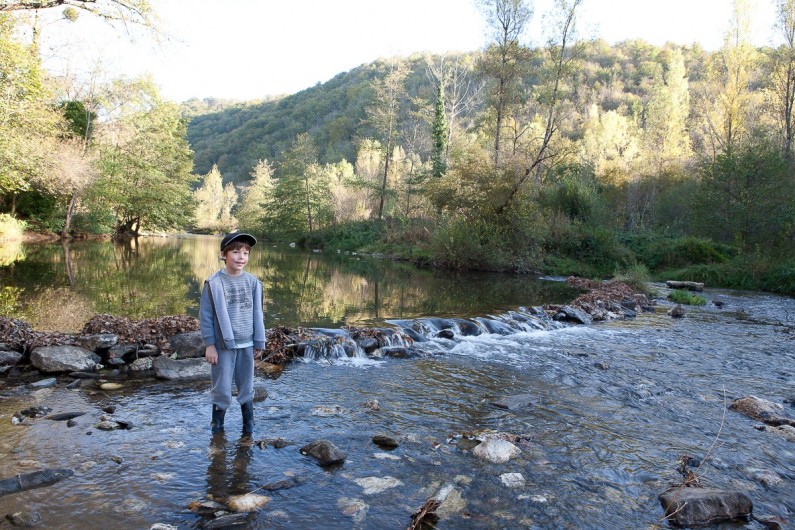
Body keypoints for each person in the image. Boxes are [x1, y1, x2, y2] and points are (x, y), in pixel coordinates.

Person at [199, 232, 266, 436]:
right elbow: (206, 316)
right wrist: (209, 345)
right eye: (236, 252)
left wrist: (259, 342)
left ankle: (249, 427)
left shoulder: (254, 283)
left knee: (247, 386)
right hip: (222, 345)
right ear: (223, 254)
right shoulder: (214, 284)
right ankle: (217, 428)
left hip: (246, 344)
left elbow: (258, 313)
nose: (241, 257)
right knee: (222, 387)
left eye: (246, 253)